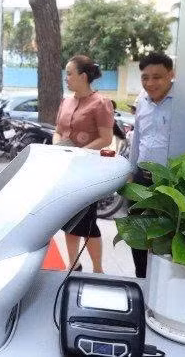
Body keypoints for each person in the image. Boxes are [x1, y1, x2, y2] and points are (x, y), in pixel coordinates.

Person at [54, 55, 114, 273]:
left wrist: (79, 152)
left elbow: (106, 138)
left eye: (69, 73)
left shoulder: (101, 103)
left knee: (88, 223)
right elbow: (58, 131)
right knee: (69, 220)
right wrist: (58, 147)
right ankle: (74, 265)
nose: (66, 78)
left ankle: (98, 270)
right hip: (66, 170)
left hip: (87, 171)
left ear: (83, 76)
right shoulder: (66, 101)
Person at [128, 52, 175, 278]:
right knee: (137, 233)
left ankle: (163, 285)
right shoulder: (142, 102)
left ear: (171, 75)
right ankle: (142, 278)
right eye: (145, 78)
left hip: (170, 183)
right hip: (141, 179)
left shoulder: (183, 105)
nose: (150, 83)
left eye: (157, 77)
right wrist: (130, 172)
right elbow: (137, 139)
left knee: (165, 236)